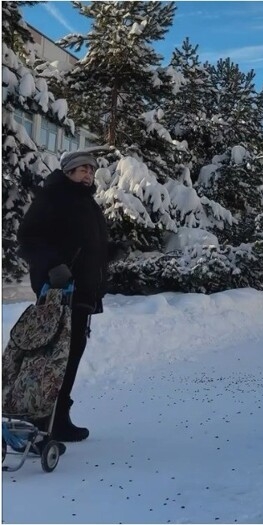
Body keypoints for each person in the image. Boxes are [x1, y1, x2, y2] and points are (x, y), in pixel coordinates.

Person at [17, 151, 126, 442]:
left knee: (70, 356)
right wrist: (54, 266)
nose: (87, 174)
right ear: (67, 172)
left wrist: (109, 251)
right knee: (55, 357)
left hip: (83, 292)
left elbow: (83, 244)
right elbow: (28, 238)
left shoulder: (86, 203)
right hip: (59, 291)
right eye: (80, 170)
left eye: (90, 170)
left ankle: (57, 417)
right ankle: (45, 419)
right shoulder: (53, 197)